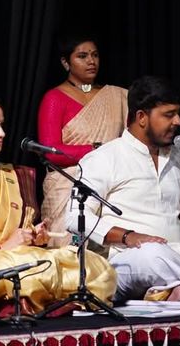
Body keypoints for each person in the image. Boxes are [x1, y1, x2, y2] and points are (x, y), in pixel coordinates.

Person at [0, 90, 116, 315]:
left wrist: (34, 236)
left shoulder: (9, 174)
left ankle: (52, 300)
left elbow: (20, 237)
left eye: (1, 125)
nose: (1, 133)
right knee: (32, 273)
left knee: (97, 267)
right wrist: (1, 247)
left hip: (21, 256)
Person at [66, 74, 180, 302]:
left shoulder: (178, 158)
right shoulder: (104, 158)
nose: (178, 121)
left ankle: (179, 288)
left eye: (177, 113)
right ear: (141, 117)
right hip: (129, 259)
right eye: (169, 115)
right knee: (153, 255)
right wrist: (128, 236)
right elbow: (74, 218)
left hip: (178, 255)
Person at [37, 33, 128, 246]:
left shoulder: (117, 97)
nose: (91, 61)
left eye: (95, 55)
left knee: (108, 257)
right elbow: (50, 152)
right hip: (67, 185)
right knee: (67, 256)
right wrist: (96, 150)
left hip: (110, 187)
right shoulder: (54, 98)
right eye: (82, 56)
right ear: (65, 62)